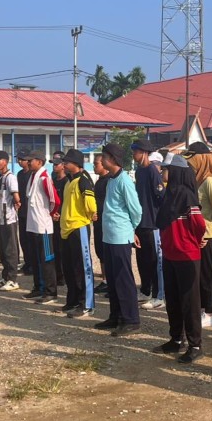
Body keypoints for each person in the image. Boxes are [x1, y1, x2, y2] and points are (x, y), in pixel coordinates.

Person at [153, 155, 208, 363]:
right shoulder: (169, 194)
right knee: (173, 299)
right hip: (170, 254)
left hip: (186, 255)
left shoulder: (186, 195)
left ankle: (195, 344)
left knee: (189, 301)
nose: (162, 172)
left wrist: (194, 241)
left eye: (166, 169)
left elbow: (199, 223)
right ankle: (176, 339)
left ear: (175, 172)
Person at [96, 143, 143, 336]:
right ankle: (115, 316)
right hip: (109, 235)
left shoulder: (124, 180)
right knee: (113, 280)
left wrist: (131, 230)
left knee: (123, 280)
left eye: (104, 157)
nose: (101, 160)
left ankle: (131, 319)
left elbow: (136, 210)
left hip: (120, 236)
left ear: (113, 160)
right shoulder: (111, 180)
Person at [185, 141, 212, 329]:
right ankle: (201, 309)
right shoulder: (196, 180)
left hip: (208, 235)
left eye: (191, 158)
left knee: (207, 275)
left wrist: (208, 221)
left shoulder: (209, 181)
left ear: (200, 159)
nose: (189, 162)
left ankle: (210, 313)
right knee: (196, 274)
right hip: (195, 234)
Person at [58, 149, 98, 318]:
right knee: (69, 268)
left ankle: (86, 304)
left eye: (67, 162)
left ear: (76, 164)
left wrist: (91, 215)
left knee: (82, 268)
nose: (64, 164)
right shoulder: (69, 181)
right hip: (67, 228)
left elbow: (90, 203)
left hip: (79, 227)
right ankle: (72, 300)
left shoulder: (83, 180)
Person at [131, 139, 166, 310]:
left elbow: (161, 196)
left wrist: (158, 217)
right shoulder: (139, 172)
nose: (133, 155)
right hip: (140, 222)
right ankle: (145, 290)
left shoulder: (152, 170)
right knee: (142, 259)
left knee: (155, 261)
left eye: (136, 151)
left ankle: (158, 295)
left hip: (152, 223)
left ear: (144, 152)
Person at [24, 150, 61, 303]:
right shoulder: (33, 176)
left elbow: (55, 200)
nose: (28, 163)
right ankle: (38, 287)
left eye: (30, 160)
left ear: (39, 161)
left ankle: (50, 291)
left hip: (43, 225)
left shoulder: (44, 178)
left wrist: (51, 214)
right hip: (33, 224)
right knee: (36, 259)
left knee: (47, 260)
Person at [0, 150, 21, 291]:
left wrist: (17, 204)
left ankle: (13, 279)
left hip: (9, 218)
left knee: (10, 248)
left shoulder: (10, 177)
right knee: (2, 249)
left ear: (5, 162)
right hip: (0, 218)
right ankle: (5, 277)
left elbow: (16, 196)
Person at [92, 155, 112, 295]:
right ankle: (105, 280)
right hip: (98, 221)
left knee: (107, 252)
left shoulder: (109, 181)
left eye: (96, 163)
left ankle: (111, 280)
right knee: (100, 251)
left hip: (107, 221)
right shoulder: (99, 181)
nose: (94, 166)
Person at [51, 151, 69, 287]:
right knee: (55, 248)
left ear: (63, 165)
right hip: (53, 218)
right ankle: (57, 274)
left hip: (63, 218)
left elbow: (67, 201)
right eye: (53, 164)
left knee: (63, 249)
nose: (54, 166)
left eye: (57, 164)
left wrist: (61, 214)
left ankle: (63, 275)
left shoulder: (66, 181)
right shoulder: (53, 180)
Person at [16, 151, 34, 275]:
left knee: (31, 240)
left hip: (31, 212)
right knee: (23, 239)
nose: (19, 162)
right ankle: (27, 263)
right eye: (19, 159)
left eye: (22, 159)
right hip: (22, 211)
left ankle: (32, 265)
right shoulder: (19, 174)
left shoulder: (32, 175)